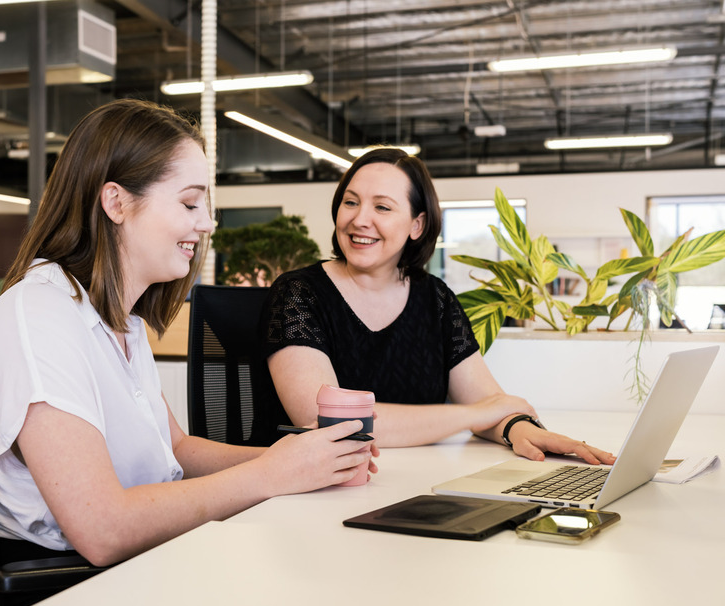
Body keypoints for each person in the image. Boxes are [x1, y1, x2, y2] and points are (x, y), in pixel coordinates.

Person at [0, 99, 376, 569]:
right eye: (190, 202)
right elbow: (103, 529)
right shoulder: (38, 317)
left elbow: (174, 450)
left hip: (140, 567)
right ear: (116, 202)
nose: (207, 222)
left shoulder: (121, 322)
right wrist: (270, 474)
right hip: (67, 591)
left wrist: (298, 459)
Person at [252, 147, 616, 466]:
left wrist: (516, 429)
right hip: (311, 493)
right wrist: (475, 414)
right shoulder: (298, 293)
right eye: (351, 201)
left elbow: (488, 401)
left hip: (415, 482)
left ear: (417, 224)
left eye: (381, 206)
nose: (360, 219)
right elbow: (328, 421)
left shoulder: (435, 298)